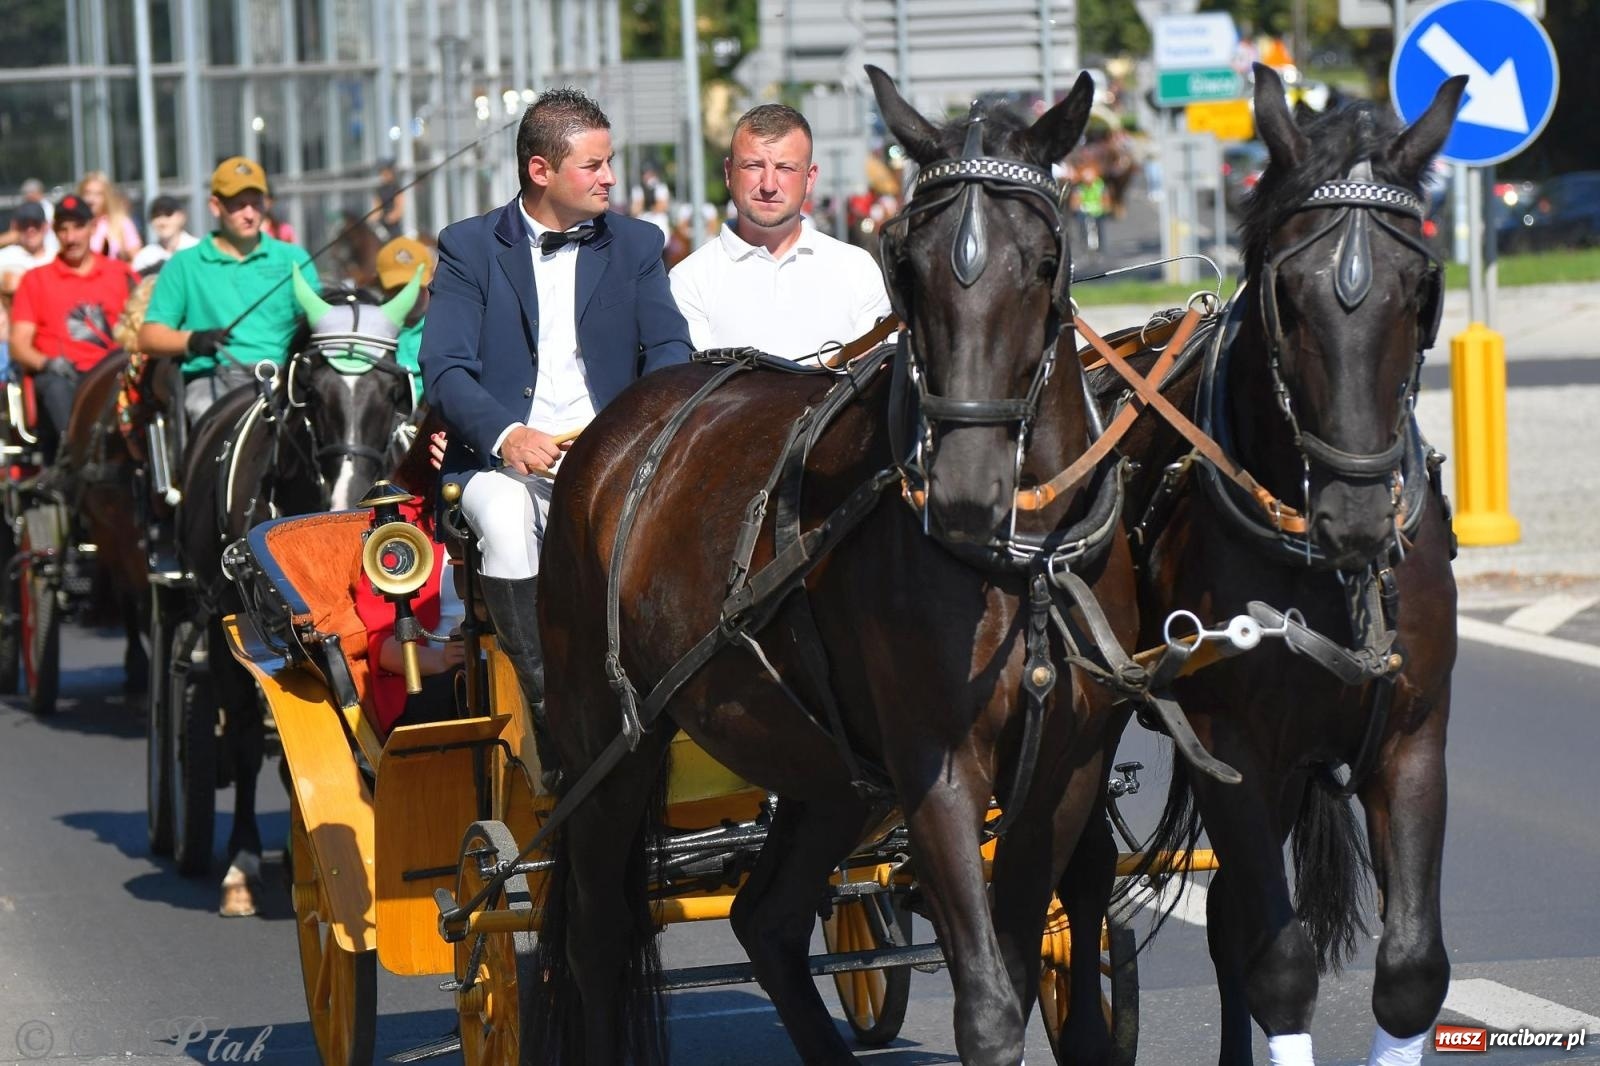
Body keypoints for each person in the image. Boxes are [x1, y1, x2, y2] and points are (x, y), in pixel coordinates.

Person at [421, 86, 692, 790]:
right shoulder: (468, 247)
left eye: (610, 162)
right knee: (508, 521)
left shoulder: (637, 243)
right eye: (593, 166)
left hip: (618, 457)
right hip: (501, 467)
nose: (610, 178)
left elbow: (670, 347)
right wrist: (509, 435)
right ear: (540, 170)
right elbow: (444, 370)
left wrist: (632, 429)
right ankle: (553, 720)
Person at [669, 104, 890, 361]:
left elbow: (877, 377)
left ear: (810, 178)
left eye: (785, 168)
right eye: (753, 166)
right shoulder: (689, 281)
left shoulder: (859, 270)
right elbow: (695, 383)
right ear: (729, 173)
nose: (769, 185)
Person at [138, 156, 319, 423]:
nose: (250, 214)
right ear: (215, 206)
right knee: (205, 411)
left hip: (284, 377)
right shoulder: (184, 264)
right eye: (239, 205)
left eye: (256, 203)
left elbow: (319, 325)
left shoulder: (294, 258)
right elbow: (148, 337)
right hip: (213, 380)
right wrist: (192, 340)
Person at [7, 193, 136, 461]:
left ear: (92, 227)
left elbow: (143, 326)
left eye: (78, 227)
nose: (71, 237)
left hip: (114, 374)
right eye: (63, 230)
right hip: (64, 378)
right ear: (55, 233)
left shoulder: (120, 274)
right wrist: (46, 362)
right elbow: (18, 345)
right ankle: (76, 459)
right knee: (55, 386)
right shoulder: (36, 280)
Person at [375, 235, 432, 405]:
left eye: (414, 286)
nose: (408, 295)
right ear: (379, 285)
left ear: (431, 279)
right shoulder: (368, 330)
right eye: (398, 288)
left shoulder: (451, 327)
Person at [77, 170, 143, 264]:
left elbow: (137, 260)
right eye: (87, 193)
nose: (91, 199)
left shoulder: (120, 222)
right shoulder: (76, 224)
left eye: (98, 194)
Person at [130, 195, 199, 276]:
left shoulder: (196, 249)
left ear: (181, 217)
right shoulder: (144, 257)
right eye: (156, 216)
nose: (162, 221)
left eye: (168, 214)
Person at [374, 160, 406, 242]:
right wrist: (374, 220)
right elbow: (377, 208)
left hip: (393, 225)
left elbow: (399, 210)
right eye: (383, 173)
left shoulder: (396, 188)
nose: (384, 176)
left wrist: (389, 219)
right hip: (382, 223)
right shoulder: (379, 190)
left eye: (386, 173)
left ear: (392, 173)